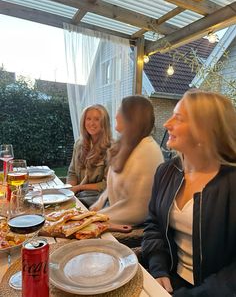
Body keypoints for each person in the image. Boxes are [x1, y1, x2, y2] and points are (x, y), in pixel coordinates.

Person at [142, 89, 236, 296]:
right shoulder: (166, 172)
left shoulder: (231, 183)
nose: (166, 124)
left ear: (204, 131)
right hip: (169, 279)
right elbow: (154, 225)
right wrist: (158, 268)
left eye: (179, 118)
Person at [90, 95, 164, 225]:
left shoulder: (147, 152)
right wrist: (98, 204)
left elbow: (139, 210)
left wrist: (96, 218)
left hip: (131, 228)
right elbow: (117, 189)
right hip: (113, 216)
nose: (116, 116)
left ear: (131, 118)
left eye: (119, 111)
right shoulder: (129, 144)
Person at [67, 104, 112, 207]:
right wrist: (71, 190)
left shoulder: (111, 148)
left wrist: (79, 188)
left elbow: (107, 184)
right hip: (78, 195)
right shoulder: (79, 143)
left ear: (104, 123)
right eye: (88, 119)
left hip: (98, 199)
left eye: (97, 119)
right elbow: (72, 172)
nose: (92, 123)